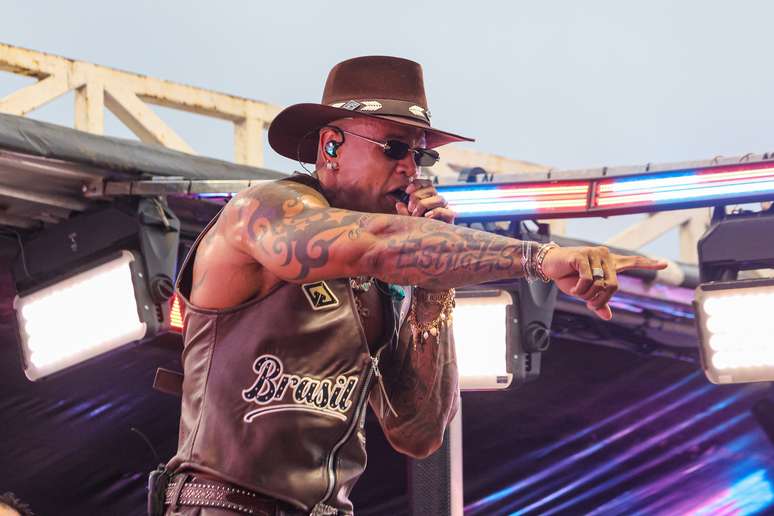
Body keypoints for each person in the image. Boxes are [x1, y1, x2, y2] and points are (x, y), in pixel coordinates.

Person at [157, 56, 666, 515]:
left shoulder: (382, 284)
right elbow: (374, 243)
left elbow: (418, 433)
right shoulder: (264, 210)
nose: (410, 168)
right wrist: (540, 258)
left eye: (420, 156)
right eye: (394, 148)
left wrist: (432, 287)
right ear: (331, 145)